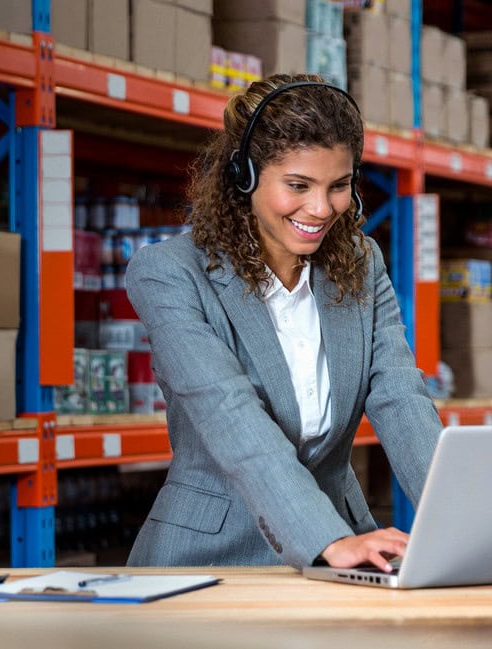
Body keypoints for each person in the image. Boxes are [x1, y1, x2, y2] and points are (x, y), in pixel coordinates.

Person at [124, 73, 443, 572]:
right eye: (298, 185)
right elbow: (229, 413)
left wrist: (456, 520)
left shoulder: (360, 263)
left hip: (341, 551)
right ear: (244, 176)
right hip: (208, 560)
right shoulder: (170, 273)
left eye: (339, 186)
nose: (320, 209)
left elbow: (400, 395)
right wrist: (327, 539)